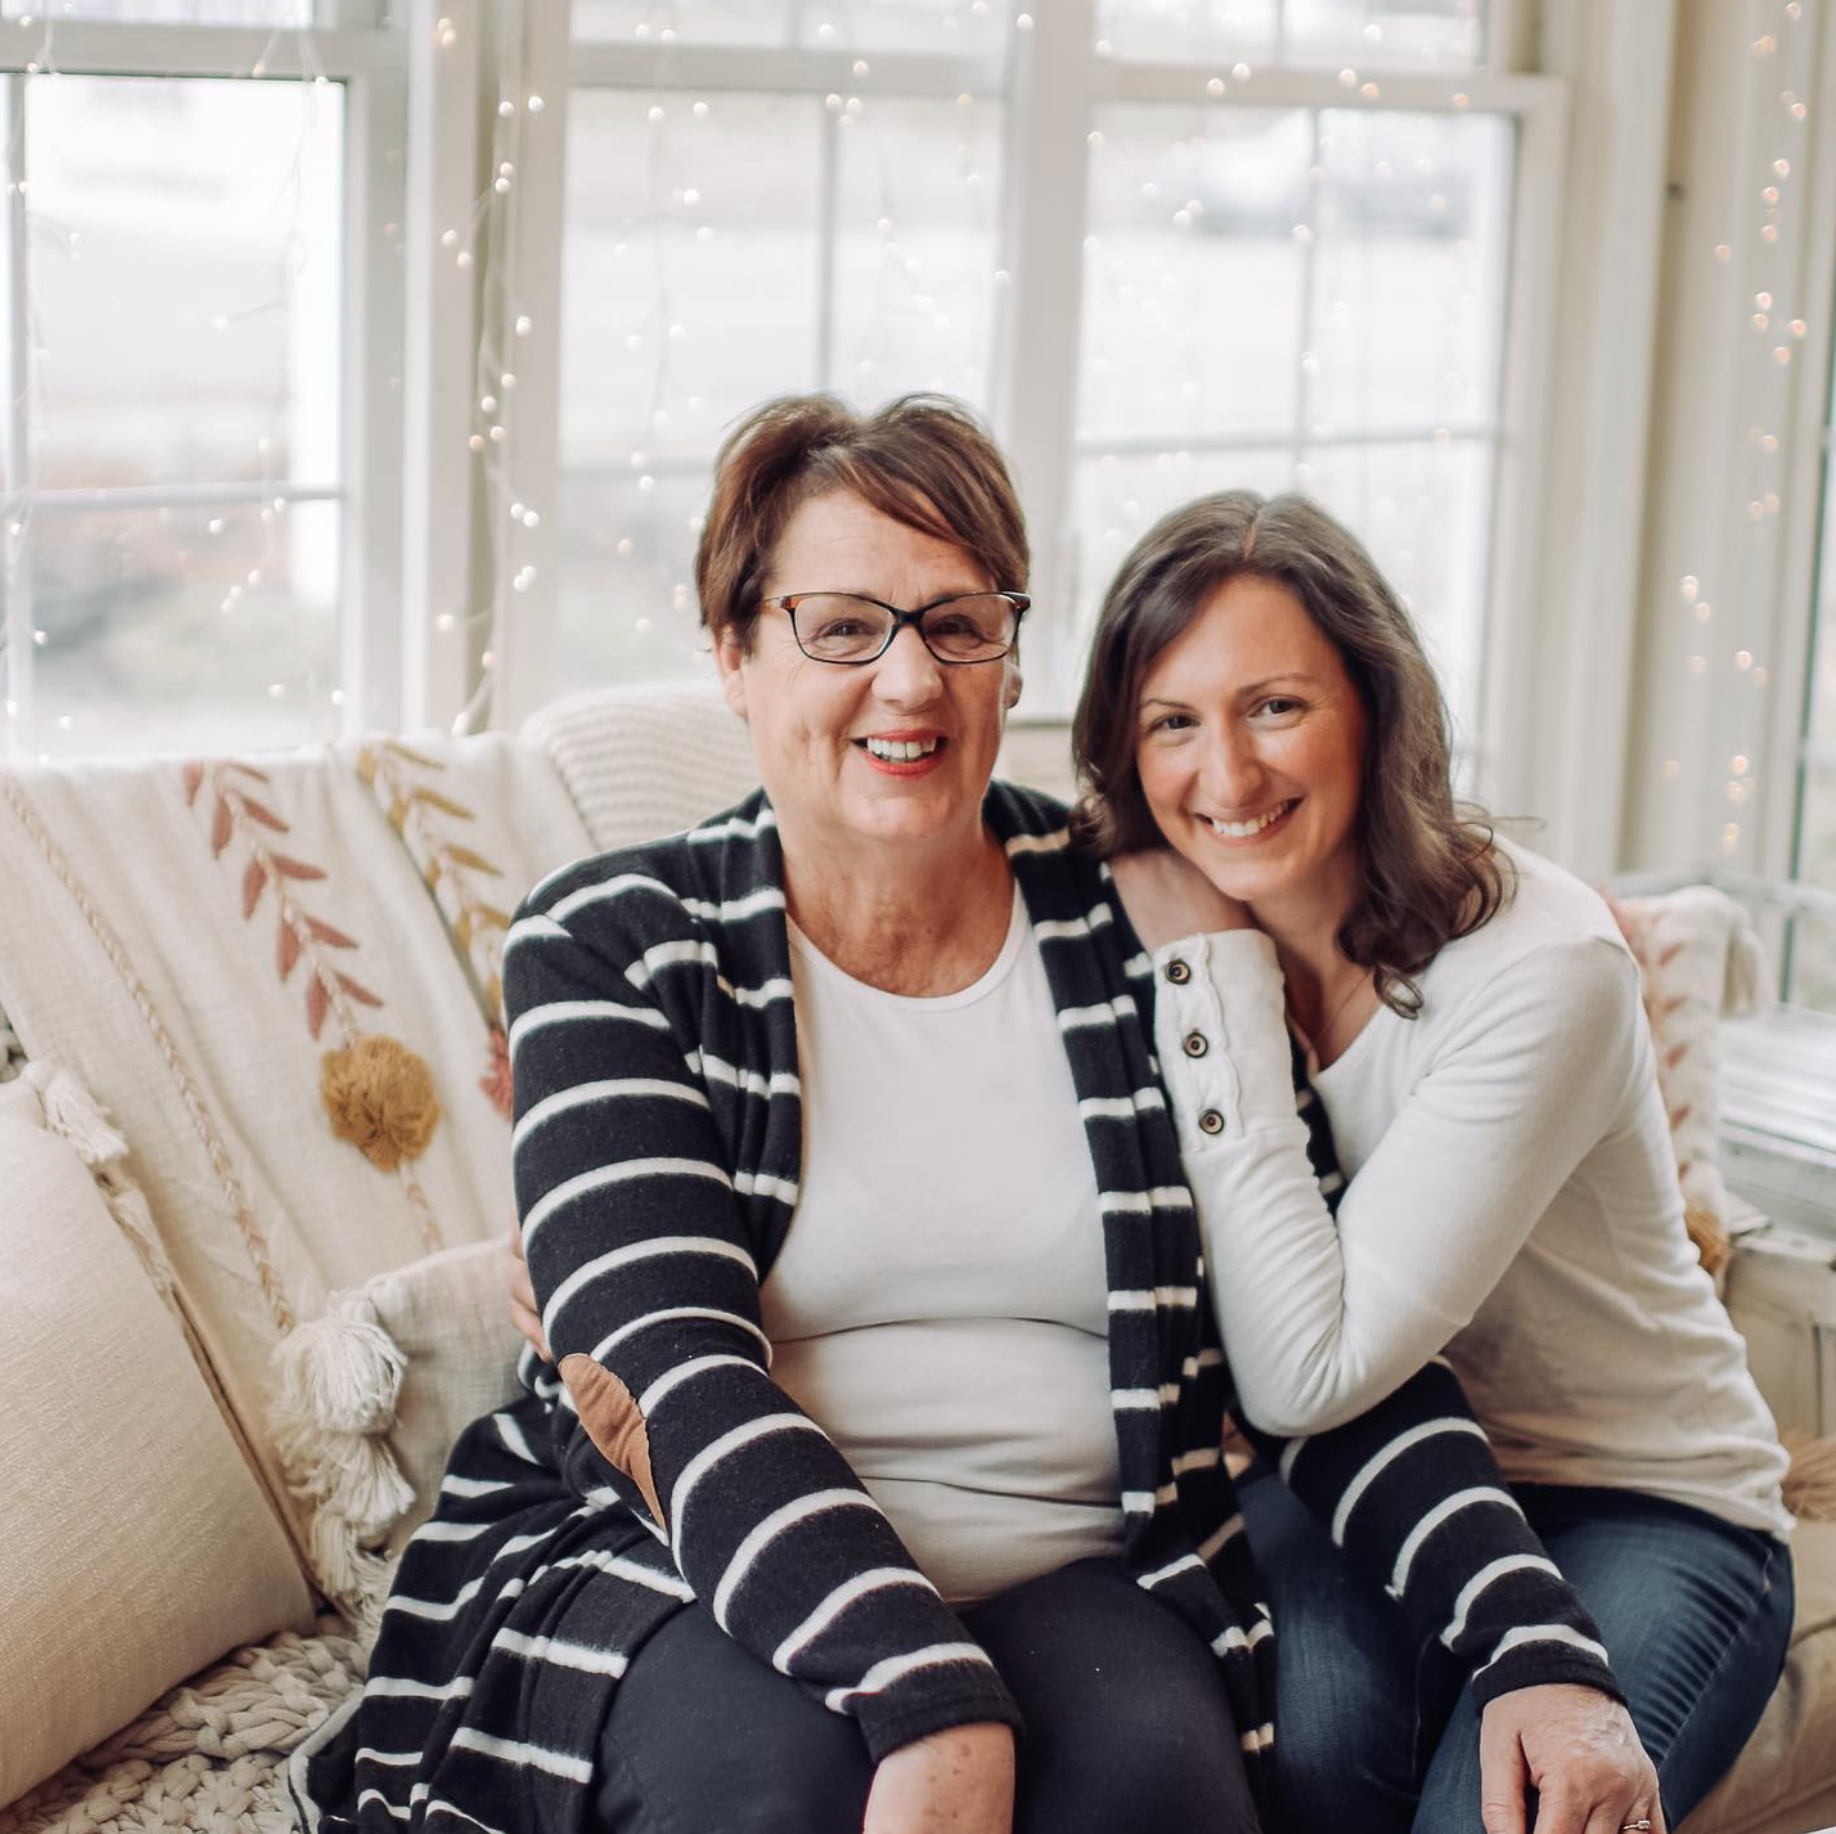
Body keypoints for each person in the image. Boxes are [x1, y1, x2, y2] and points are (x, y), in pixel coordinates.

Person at [298, 396, 1657, 1834]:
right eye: (841, 627)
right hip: (685, 1558)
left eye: (956, 624)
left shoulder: (1143, 919)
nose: (909, 682)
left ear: (1011, 657)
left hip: (1079, 1570)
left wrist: (1534, 1643)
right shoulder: (615, 943)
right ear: (735, 654)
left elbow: (1312, 1346)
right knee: (772, 1799)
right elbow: (668, 1376)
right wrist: (930, 1693)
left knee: (1159, 1795)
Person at [1081, 487, 1795, 1834]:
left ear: (1376, 705)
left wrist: (1215, 974)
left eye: (1274, 706)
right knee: (1305, 1770)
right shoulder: (1123, 934)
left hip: (1644, 1498)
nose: (1226, 776)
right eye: (1174, 721)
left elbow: (1307, 1367)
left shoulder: (1543, 970)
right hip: (1354, 1490)